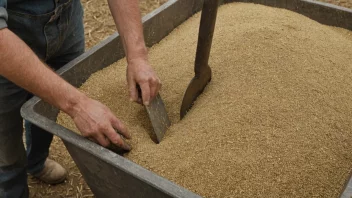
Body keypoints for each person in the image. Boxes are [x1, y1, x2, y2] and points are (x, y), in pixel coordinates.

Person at [0, 0, 161, 197]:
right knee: (6, 146)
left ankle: (36, 161)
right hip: (7, 38)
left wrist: (137, 56)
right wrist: (78, 105)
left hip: (66, 21)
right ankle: (12, 187)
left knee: (49, 110)